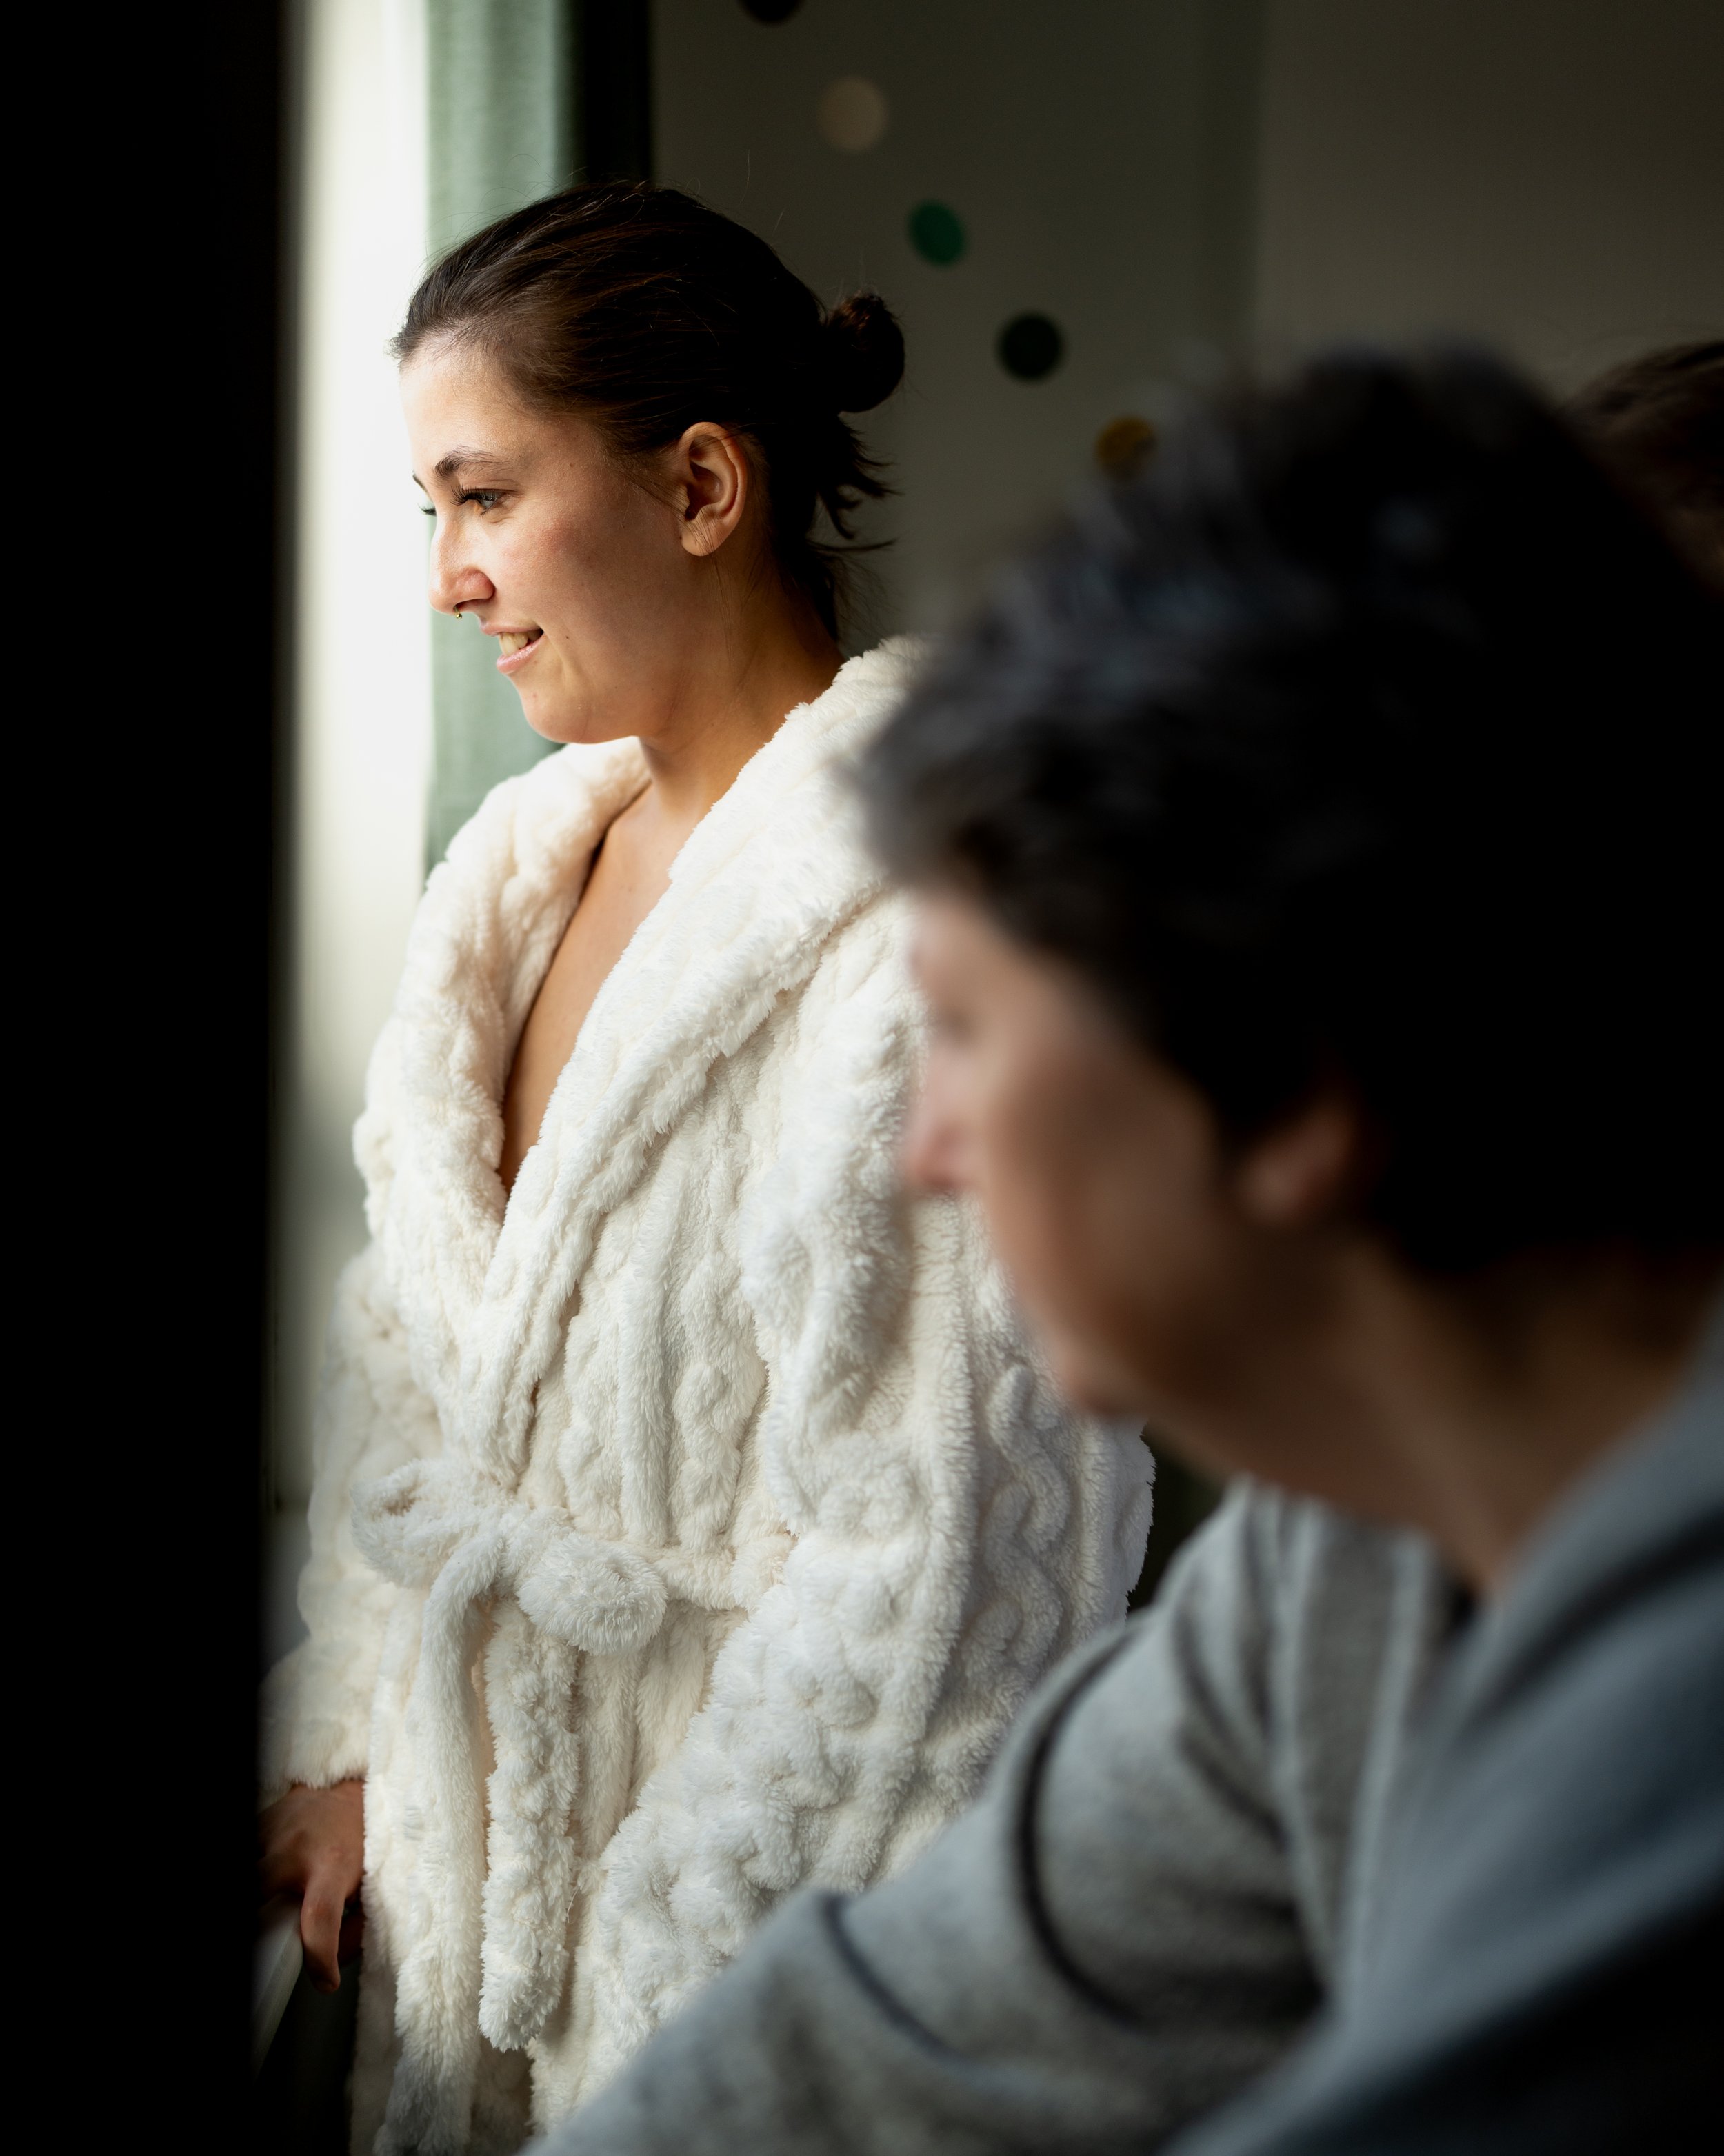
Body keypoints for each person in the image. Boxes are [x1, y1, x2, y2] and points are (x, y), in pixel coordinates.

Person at [540, 346, 1724, 2153]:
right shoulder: (1341, 1559)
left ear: (1288, 1088)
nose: (923, 1148)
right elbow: (889, 2044)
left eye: (963, 1026)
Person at [257, 183, 1152, 2155]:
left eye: (483, 498)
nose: (448, 579)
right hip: (450, 1940)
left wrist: (664, 2019)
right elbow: (405, 1369)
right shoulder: (506, 886)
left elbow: (941, 1597)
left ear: (703, 486)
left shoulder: (953, 927)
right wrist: (355, 1752)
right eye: (428, 514)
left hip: (747, 2015)